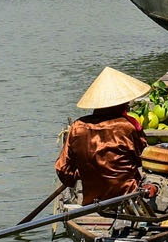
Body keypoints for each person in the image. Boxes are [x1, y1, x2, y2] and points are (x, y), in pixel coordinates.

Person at [55, 67, 148, 203]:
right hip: (128, 199)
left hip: (91, 200)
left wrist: (86, 173)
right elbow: (143, 158)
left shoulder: (77, 127)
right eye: (126, 102)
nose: (128, 105)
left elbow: (62, 169)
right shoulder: (127, 127)